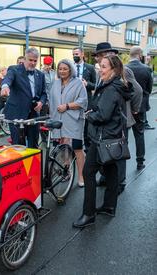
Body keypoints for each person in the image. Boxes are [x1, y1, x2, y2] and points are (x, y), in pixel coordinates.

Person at [73, 55, 131, 228]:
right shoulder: (115, 85)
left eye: (104, 66)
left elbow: (103, 115)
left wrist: (89, 114)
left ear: (113, 69)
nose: (100, 69)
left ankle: (88, 214)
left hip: (102, 138)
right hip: (111, 136)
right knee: (111, 171)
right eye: (100, 65)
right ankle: (109, 206)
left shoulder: (111, 88)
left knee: (89, 173)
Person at [93, 42, 142, 191]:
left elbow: (138, 90)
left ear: (109, 54)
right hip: (106, 119)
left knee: (118, 151)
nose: (99, 59)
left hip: (120, 119)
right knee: (105, 149)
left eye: (101, 55)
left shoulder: (123, 70)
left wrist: (133, 110)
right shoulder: (101, 70)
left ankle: (120, 182)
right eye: (98, 56)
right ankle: (106, 176)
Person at [49, 59, 87, 187]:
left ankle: (81, 176)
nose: (62, 71)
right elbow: (52, 102)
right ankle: (67, 171)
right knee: (64, 146)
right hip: (58, 119)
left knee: (77, 148)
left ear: (71, 70)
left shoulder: (78, 83)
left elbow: (83, 101)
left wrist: (67, 106)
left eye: (65, 69)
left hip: (74, 120)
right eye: (60, 69)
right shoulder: (55, 83)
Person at [1, 48, 47, 148]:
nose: (33, 63)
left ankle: (34, 164)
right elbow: (8, 79)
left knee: (33, 146)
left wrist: (41, 102)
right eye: (30, 60)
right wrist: (5, 87)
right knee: (18, 146)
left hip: (34, 115)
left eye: (35, 61)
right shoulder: (14, 69)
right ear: (25, 59)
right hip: (17, 114)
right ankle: (19, 164)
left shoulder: (40, 75)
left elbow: (44, 93)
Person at [127, 46, 153, 170]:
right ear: (139, 55)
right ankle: (140, 161)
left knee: (124, 136)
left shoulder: (124, 68)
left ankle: (121, 161)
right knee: (139, 134)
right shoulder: (146, 69)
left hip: (125, 106)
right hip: (140, 106)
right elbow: (148, 89)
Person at [72, 47, 96, 151]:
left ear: (82, 54)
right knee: (74, 126)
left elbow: (95, 85)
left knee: (86, 127)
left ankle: (88, 149)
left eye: (76, 54)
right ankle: (75, 148)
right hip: (73, 101)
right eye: (73, 54)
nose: (75, 56)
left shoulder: (90, 68)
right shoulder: (70, 67)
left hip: (86, 101)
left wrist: (87, 84)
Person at [41, 56, 56, 142]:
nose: (49, 66)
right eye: (47, 65)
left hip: (53, 99)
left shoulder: (54, 73)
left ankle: (51, 135)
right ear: (44, 64)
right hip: (44, 99)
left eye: (50, 64)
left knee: (51, 118)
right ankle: (44, 137)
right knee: (43, 119)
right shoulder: (40, 73)